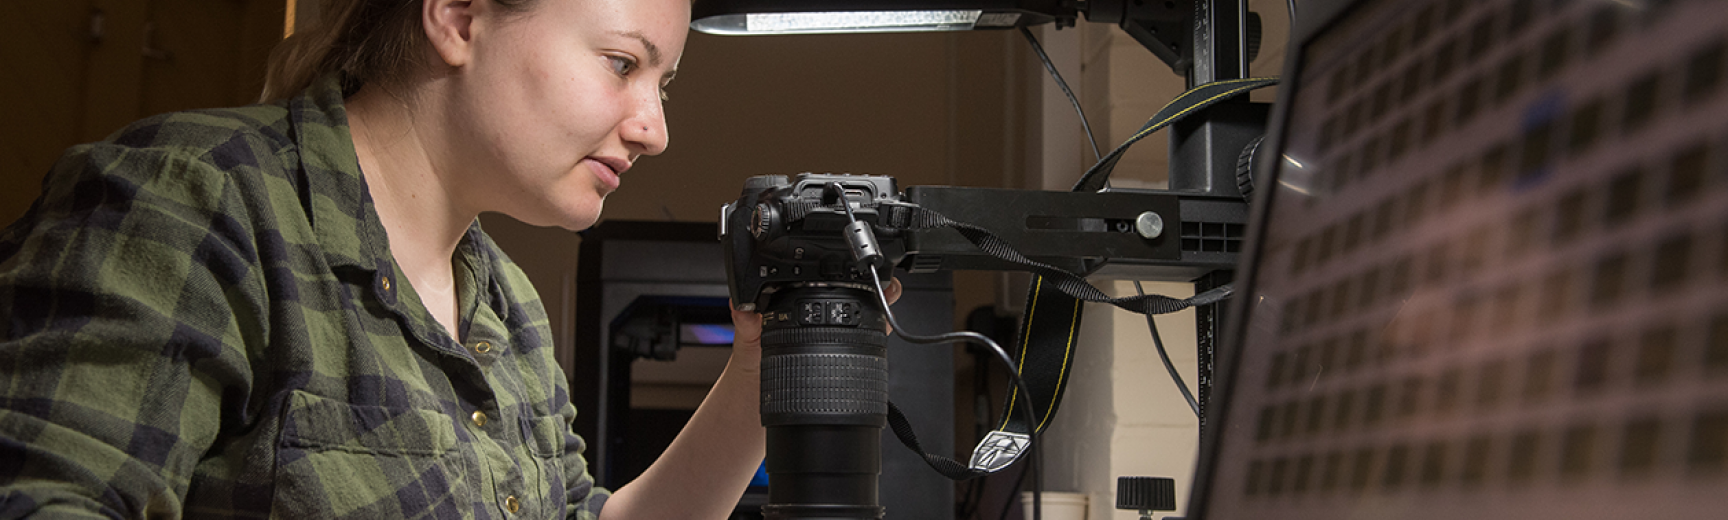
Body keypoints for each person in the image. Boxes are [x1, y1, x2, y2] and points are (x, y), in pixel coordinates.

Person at [0, 0, 899, 518]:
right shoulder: (195, 200)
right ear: (460, 17)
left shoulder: (502, 302)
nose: (654, 129)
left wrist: (759, 364)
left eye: (661, 86)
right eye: (622, 64)